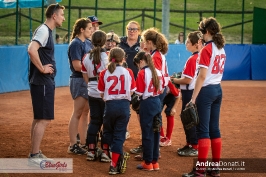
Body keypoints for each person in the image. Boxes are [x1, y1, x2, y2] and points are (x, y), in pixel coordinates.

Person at [182, 17, 226, 177]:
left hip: (206, 91)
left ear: (207, 32)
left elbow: (201, 76)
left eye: (202, 31)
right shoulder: (220, 47)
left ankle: (200, 170)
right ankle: (215, 168)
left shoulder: (207, 48)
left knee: (203, 131)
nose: (201, 34)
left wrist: (193, 99)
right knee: (214, 129)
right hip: (217, 89)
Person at [27, 3, 65, 164]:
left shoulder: (45, 30)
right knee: (43, 119)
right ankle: (34, 155)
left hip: (42, 81)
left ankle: (34, 152)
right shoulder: (44, 30)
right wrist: (42, 68)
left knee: (39, 118)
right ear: (54, 16)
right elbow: (31, 49)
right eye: (62, 15)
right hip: (42, 81)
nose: (63, 18)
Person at [97, 47, 136, 174]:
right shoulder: (128, 71)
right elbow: (131, 91)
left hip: (110, 105)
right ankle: (113, 166)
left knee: (107, 130)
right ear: (123, 58)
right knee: (119, 135)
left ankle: (105, 152)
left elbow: (101, 94)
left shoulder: (104, 72)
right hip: (124, 105)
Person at [172, 31, 203, 157]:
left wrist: (174, 80)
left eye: (189, 42)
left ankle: (193, 145)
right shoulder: (200, 57)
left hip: (189, 92)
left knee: (188, 118)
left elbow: (187, 80)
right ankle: (191, 143)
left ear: (196, 44)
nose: (186, 44)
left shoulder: (193, 59)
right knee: (192, 117)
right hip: (195, 91)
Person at [81, 30, 110, 162]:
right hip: (105, 93)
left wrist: (92, 86)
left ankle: (91, 151)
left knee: (94, 121)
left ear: (91, 42)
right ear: (104, 42)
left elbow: (85, 75)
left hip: (92, 91)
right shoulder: (107, 56)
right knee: (107, 123)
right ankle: (105, 151)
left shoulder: (86, 57)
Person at [133, 52, 164, 171]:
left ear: (141, 61)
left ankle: (147, 162)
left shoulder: (142, 72)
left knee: (147, 133)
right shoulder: (158, 71)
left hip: (147, 103)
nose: (138, 67)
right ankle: (155, 162)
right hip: (157, 102)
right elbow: (161, 90)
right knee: (156, 132)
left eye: (138, 64)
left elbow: (139, 93)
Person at [67, 18, 93, 155]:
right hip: (79, 80)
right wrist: (92, 70)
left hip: (86, 79)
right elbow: (77, 66)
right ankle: (73, 144)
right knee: (77, 113)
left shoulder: (88, 43)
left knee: (85, 113)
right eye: (89, 28)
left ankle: (83, 143)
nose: (91, 30)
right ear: (81, 30)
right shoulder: (76, 44)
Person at [118, 21, 142, 139]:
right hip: (123, 81)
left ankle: (144, 132)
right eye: (130, 29)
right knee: (124, 108)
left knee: (140, 108)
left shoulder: (142, 43)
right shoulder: (120, 43)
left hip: (139, 80)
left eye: (134, 29)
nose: (132, 31)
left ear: (139, 31)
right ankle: (125, 130)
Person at [159, 81, 181, 147]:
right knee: (157, 114)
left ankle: (168, 138)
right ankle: (161, 137)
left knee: (170, 113)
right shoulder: (157, 85)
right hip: (161, 96)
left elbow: (178, 96)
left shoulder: (170, 85)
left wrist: (174, 108)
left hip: (171, 96)